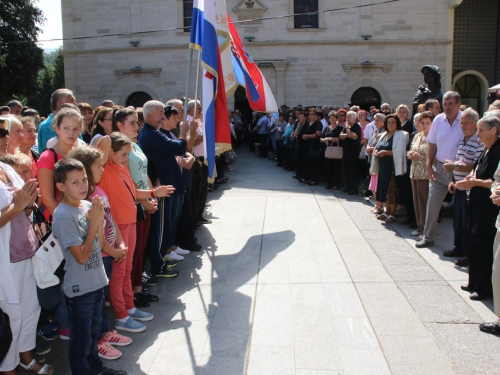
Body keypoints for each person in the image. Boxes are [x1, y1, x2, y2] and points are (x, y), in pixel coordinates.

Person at [52, 158, 126, 375]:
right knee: (81, 340)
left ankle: (97, 369)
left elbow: (100, 243)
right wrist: (94, 224)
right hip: (80, 289)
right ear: (61, 186)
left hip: (97, 281)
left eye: (84, 179)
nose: (83, 185)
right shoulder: (63, 215)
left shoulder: (86, 205)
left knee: (94, 333)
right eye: (75, 182)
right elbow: (81, 257)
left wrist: (116, 250)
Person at [97, 132, 173, 333]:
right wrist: (112, 138)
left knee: (127, 269)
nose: (125, 158)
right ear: (110, 153)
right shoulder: (104, 168)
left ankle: (129, 307)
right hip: (118, 226)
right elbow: (103, 144)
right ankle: (121, 316)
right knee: (119, 272)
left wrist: (152, 193)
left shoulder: (121, 168)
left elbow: (133, 193)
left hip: (130, 222)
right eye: (122, 154)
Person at [68, 146, 132, 360]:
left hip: (109, 254)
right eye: (98, 166)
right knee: (95, 302)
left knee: (100, 299)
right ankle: (98, 341)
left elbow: (110, 217)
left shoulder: (99, 192)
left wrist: (120, 243)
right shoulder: (87, 199)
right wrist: (113, 251)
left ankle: (104, 332)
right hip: (99, 257)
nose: (103, 169)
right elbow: (96, 236)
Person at [138, 101, 196, 278]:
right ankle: (159, 263)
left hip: (167, 184)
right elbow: (177, 147)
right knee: (161, 227)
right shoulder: (149, 134)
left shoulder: (153, 133)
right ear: (149, 116)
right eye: (161, 113)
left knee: (168, 223)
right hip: (161, 187)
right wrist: (185, 132)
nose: (163, 116)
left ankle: (163, 256)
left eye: (164, 113)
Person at [454, 116, 500, 301]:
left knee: (484, 246)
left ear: (494, 130)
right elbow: (477, 168)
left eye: (481, 130)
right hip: (476, 203)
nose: (478, 134)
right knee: (474, 242)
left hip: (489, 206)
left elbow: (495, 181)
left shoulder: (498, 151)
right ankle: (474, 282)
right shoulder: (486, 150)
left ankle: (484, 288)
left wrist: (476, 182)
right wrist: (470, 179)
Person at [416, 91, 464, 248]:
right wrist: (429, 166)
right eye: (445, 104)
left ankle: (461, 244)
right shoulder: (438, 120)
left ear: (458, 104)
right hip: (440, 167)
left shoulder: (465, 120)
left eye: (451, 104)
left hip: (460, 170)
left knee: (461, 208)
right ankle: (428, 236)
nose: (448, 107)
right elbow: (432, 144)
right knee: (433, 203)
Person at [443, 108, 484, 264]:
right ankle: (458, 246)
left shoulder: (478, 141)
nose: (462, 126)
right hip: (459, 186)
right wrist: (452, 180)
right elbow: (457, 159)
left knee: (467, 222)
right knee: (458, 220)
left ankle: (468, 252)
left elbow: (474, 165)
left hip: (469, 188)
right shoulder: (463, 139)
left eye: (466, 123)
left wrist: (455, 167)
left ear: (475, 123)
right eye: (461, 123)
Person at [371, 114, 408, 223]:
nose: (391, 124)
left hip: (393, 167)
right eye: (389, 122)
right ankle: (386, 212)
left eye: (393, 122)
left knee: (392, 190)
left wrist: (386, 152)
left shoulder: (402, 134)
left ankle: (392, 214)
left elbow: (401, 152)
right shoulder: (384, 134)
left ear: (397, 123)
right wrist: (377, 151)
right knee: (385, 189)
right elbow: (378, 146)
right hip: (383, 167)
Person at [407, 111, 433, 236]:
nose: (424, 125)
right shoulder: (418, 135)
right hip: (414, 171)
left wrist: (421, 157)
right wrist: (410, 154)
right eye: (422, 123)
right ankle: (419, 227)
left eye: (427, 123)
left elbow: (436, 156)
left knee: (424, 201)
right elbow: (412, 148)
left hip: (425, 173)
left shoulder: (433, 137)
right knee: (416, 201)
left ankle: (425, 229)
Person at [37, 89, 77, 154]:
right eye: (72, 101)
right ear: (60, 104)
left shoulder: (74, 122)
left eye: (75, 129)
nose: (75, 104)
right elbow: (52, 153)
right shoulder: (48, 126)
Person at [367, 113, 386, 213]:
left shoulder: (384, 132)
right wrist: (368, 148)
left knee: (377, 184)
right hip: (372, 158)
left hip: (379, 161)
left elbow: (381, 146)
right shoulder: (375, 131)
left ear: (383, 121)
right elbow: (369, 142)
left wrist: (371, 148)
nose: (376, 122)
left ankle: (380, 206)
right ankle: (376, 204)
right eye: (375, 120)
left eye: (378, 120)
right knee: (373, 184)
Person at [339, 111, 361, 194]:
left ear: (354, 118)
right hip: (346, 150)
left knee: (353, 169)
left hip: (353, 151)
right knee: (346, 169)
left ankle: (354, 187)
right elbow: (340, 136)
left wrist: (347, 129)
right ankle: (347, 186)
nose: (347, 119)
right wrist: (347, 134)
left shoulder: (356, 127)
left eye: (349, 117)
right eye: (347, 117)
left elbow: (350, 135)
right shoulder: (346, 127)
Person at [320, 111, 342, 190]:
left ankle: (337, 184)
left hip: (336, 151)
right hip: (327, 150)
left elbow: (340, 139)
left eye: (333, 118)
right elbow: (321, 138)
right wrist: (324, 140)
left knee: (336, 168)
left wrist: (330, 139)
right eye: (330, 118)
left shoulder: (340, 128)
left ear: (336, 119)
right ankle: (328, 184)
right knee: (328, 168)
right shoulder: (326, 128)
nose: (332, 119)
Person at [303, 109, 323, 185]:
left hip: (315, 146)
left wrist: (307, 136)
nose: (311, 115)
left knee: (315, 164)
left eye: (313, 114)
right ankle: (310, 177)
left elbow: (318, 134)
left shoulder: (318, 123)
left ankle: (315, 179)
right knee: (309, 163)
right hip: (308, 146)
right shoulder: (308, 123)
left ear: (316, 115)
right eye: (310, 114)